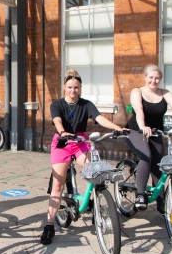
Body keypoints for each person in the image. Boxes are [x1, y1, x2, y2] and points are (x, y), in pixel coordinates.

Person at [40, 69, 125, 245]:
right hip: (62, 141)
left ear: (80, 88)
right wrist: (63, 131)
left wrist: (117, 128)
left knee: (94, 170)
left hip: (80, 141)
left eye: (76, 87)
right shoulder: (57, 104)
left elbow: (99, 118)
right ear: (64, 87)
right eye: (70, 87)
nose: (73, 90)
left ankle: (94, 204)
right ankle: (49, 224)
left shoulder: (86, 104)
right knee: (58, 184)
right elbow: (57, 121)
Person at [124, 64, 172, 211]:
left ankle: (161, 204)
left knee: (158, 165)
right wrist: (142, 127)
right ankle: (140, 194)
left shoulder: (165, 93)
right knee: (146, 156)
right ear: (145, 77)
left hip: (155, 132)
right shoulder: (137, 91)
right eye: (151, 78)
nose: (153, 81)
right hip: (135, 130)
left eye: (157, 78)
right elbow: (139, 110)